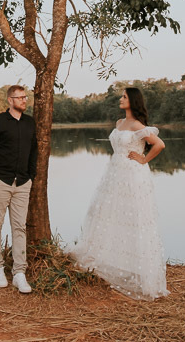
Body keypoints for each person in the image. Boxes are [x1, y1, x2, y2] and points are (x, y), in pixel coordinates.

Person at [71, 86, 169, 299]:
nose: (120, 99)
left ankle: (140, 269)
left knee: (134, 217)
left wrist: (144, 159)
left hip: (132, 174)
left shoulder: (137, 125)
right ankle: (112, 260)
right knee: (109, 214)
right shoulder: (119, 123)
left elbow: (159, 144)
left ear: (133, 101)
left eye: (124, 96)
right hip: (114, 173)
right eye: (121, 96)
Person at [0, 85, 37, 293]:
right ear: (10, 100)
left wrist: (31, 176)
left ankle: (19, 273)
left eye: (25, 97)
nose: (24, 100)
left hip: (23, 183)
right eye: (20, 97)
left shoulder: (30, 123)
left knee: (19, 227)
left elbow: (34, 151)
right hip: (1, 181)